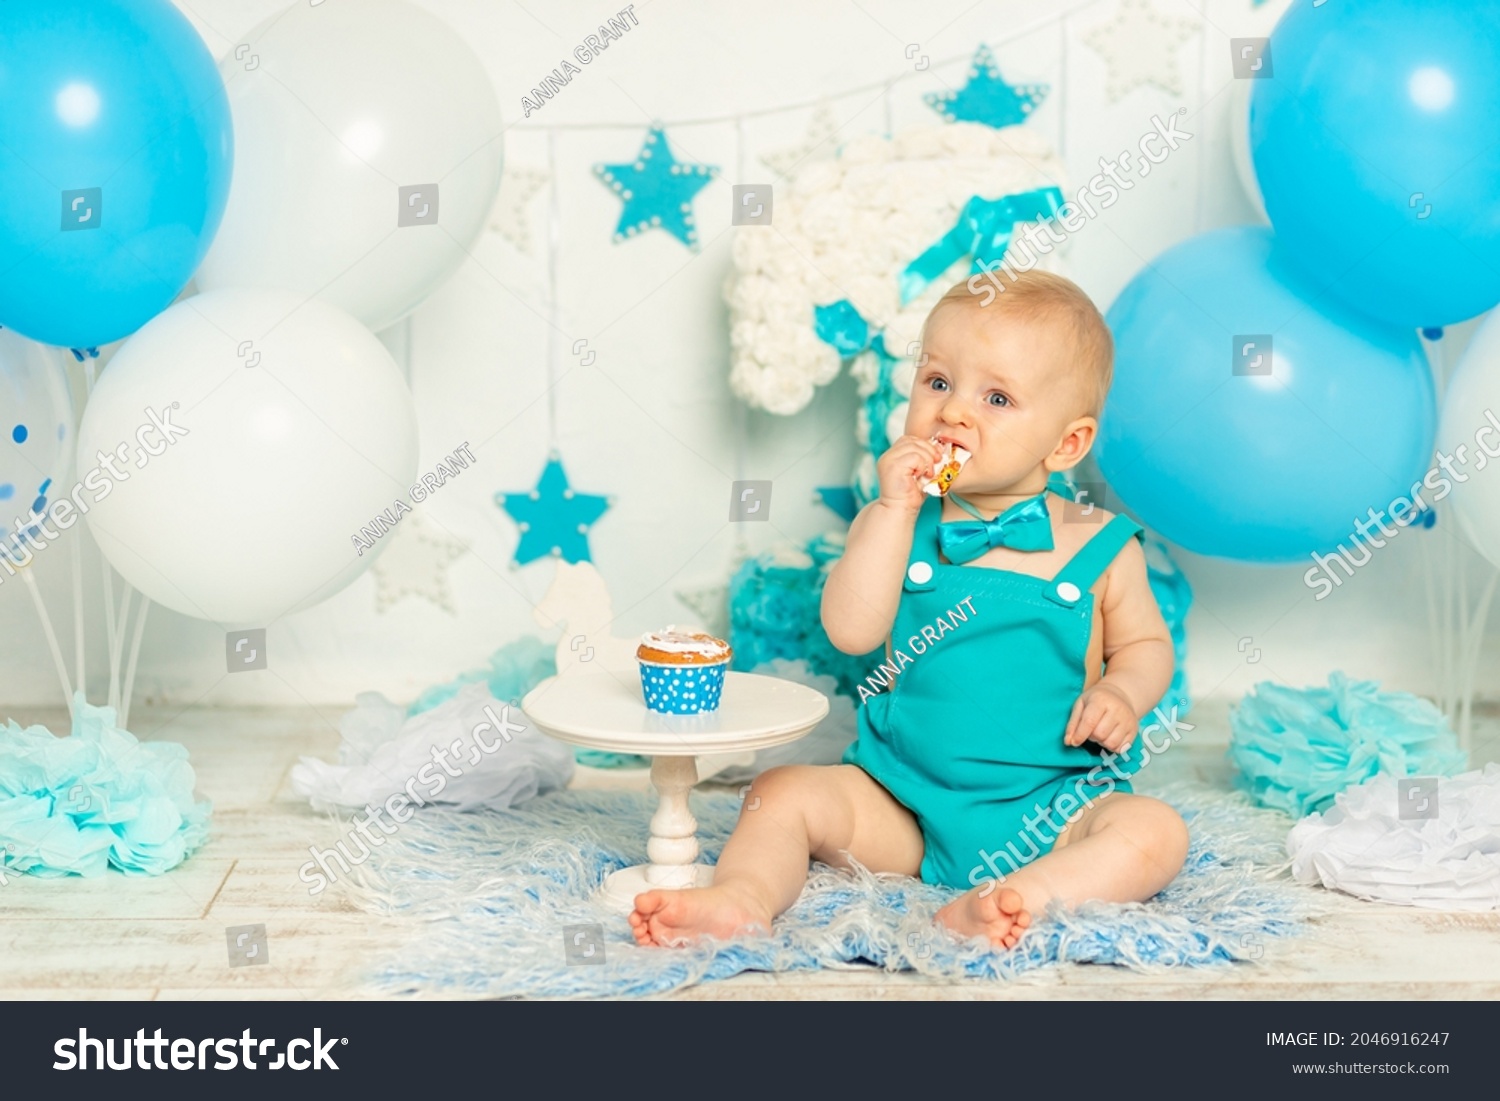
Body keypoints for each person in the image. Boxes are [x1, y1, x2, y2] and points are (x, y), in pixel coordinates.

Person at [631, 269, 1188, 949]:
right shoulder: (899, 521)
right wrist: (894, 511)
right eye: (938, 382)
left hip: (1051, 805)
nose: (953, 412)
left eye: (996, 397)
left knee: (1156, 833)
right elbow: (852, 630)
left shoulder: (1099, 544)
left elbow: (1146, 647)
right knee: (781, 792)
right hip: (903, 799)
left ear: (1066, 444)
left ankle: (1023, 897)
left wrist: (1122, 691)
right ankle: (742, 897)